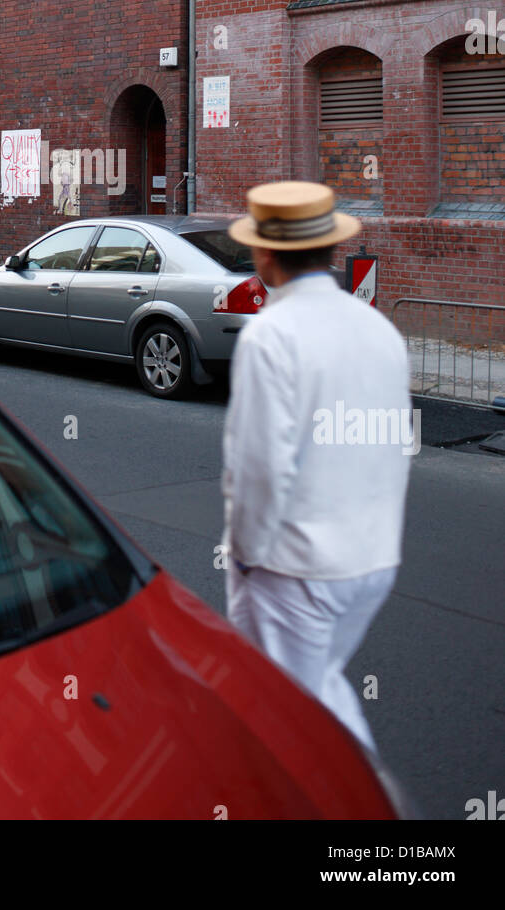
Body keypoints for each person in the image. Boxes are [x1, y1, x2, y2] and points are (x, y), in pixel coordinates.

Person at [221, 180, 414, 752]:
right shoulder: (379, 329)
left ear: (263, 253)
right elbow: (395, 444)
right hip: (372, 559)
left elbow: (259, 469)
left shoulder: (270, 336)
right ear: (331, 247)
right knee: (318, 690)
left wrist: (247, 556)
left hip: (297, 566)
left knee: (288, 719)